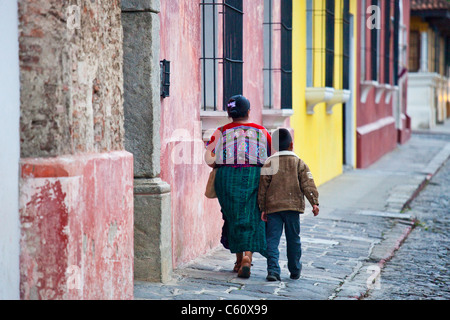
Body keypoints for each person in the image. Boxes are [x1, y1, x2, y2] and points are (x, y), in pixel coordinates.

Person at [205, 95, 272, 278]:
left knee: (233, 216)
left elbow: (209, 159)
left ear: (229, 114)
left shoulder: (219, 132)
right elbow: (271, 160)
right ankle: (247, 258)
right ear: (248, 112)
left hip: (227, 178)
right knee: (252, 215)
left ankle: (238, 259)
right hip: (253, 176)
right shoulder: (262, 132)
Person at [258, 128, 320, 281]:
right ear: (291, 144)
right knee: (294, 239)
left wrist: (263, 208)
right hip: (293, 208)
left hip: (273, 208)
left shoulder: (269, 163)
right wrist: (314, 202)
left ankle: (273, 270)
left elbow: (263, 188)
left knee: (272, 240)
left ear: (274, 147)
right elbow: (308, 184)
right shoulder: (299, 163)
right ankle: (295, 269)